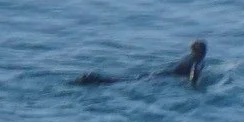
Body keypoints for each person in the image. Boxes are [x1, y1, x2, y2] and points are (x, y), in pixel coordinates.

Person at [75, 39, 207, 86]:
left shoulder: (188, 56)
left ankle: (98, 80)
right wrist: (193, 86)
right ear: (202, 52)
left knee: (130, 80)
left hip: (163, 73)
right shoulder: (197, 61)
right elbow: (193, 74)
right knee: (130, 81)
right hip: (167, 77)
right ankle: (98, 81)